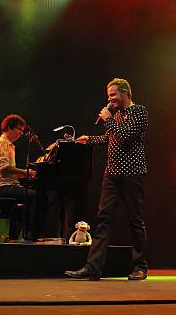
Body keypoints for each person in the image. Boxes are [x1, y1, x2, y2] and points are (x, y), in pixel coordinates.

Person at [65, 78, 149, 281]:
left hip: (132, 173)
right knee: (103, 219)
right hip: (112, 174)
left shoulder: (139, 112)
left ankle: (140, 266)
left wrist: (108, 119)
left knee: (134, 220)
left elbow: (126, 136)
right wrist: (90, 139)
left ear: (125, 93)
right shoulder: (117, 115)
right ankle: (93, 268)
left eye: (113, 95)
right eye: (108, 96)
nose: (109, 99)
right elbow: (110, 138)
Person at [0, 114, 38, 241]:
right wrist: (28, 172)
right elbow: (4, 171)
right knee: (35, 196)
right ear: (10, 127)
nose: (21, 133)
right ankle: (29, 236)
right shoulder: (1, 143)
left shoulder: (9, 145)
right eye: (19, 129)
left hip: (6, 185)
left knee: (30, 197)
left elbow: (9, 171)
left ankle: (17, 236)